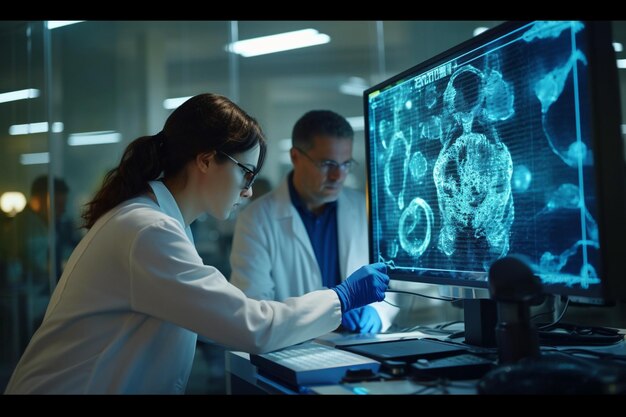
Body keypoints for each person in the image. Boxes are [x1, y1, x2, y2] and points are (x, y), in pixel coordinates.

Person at [4, 93, 389, 394]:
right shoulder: (147, 230)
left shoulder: (156, 222)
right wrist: (341, 297)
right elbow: (250, 327)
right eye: (246, 173)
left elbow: (223, 317)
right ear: (206, 161)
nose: (249, 190)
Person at [230, 110, 397, 334]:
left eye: (346, 164)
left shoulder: (363, 209)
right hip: (295, 347)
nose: (338, 176)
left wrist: (379, 314)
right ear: (295, 157)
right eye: (327, 164)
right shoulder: (256, 220)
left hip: (360, 343)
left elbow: (392, 281)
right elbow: (253, 309)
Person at [3, 176, 78, 348]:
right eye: (58, 205)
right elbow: (42, 266)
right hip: (25, 303)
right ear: (38, 200)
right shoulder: (27, 227)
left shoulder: (43, 223)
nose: (62, 210)